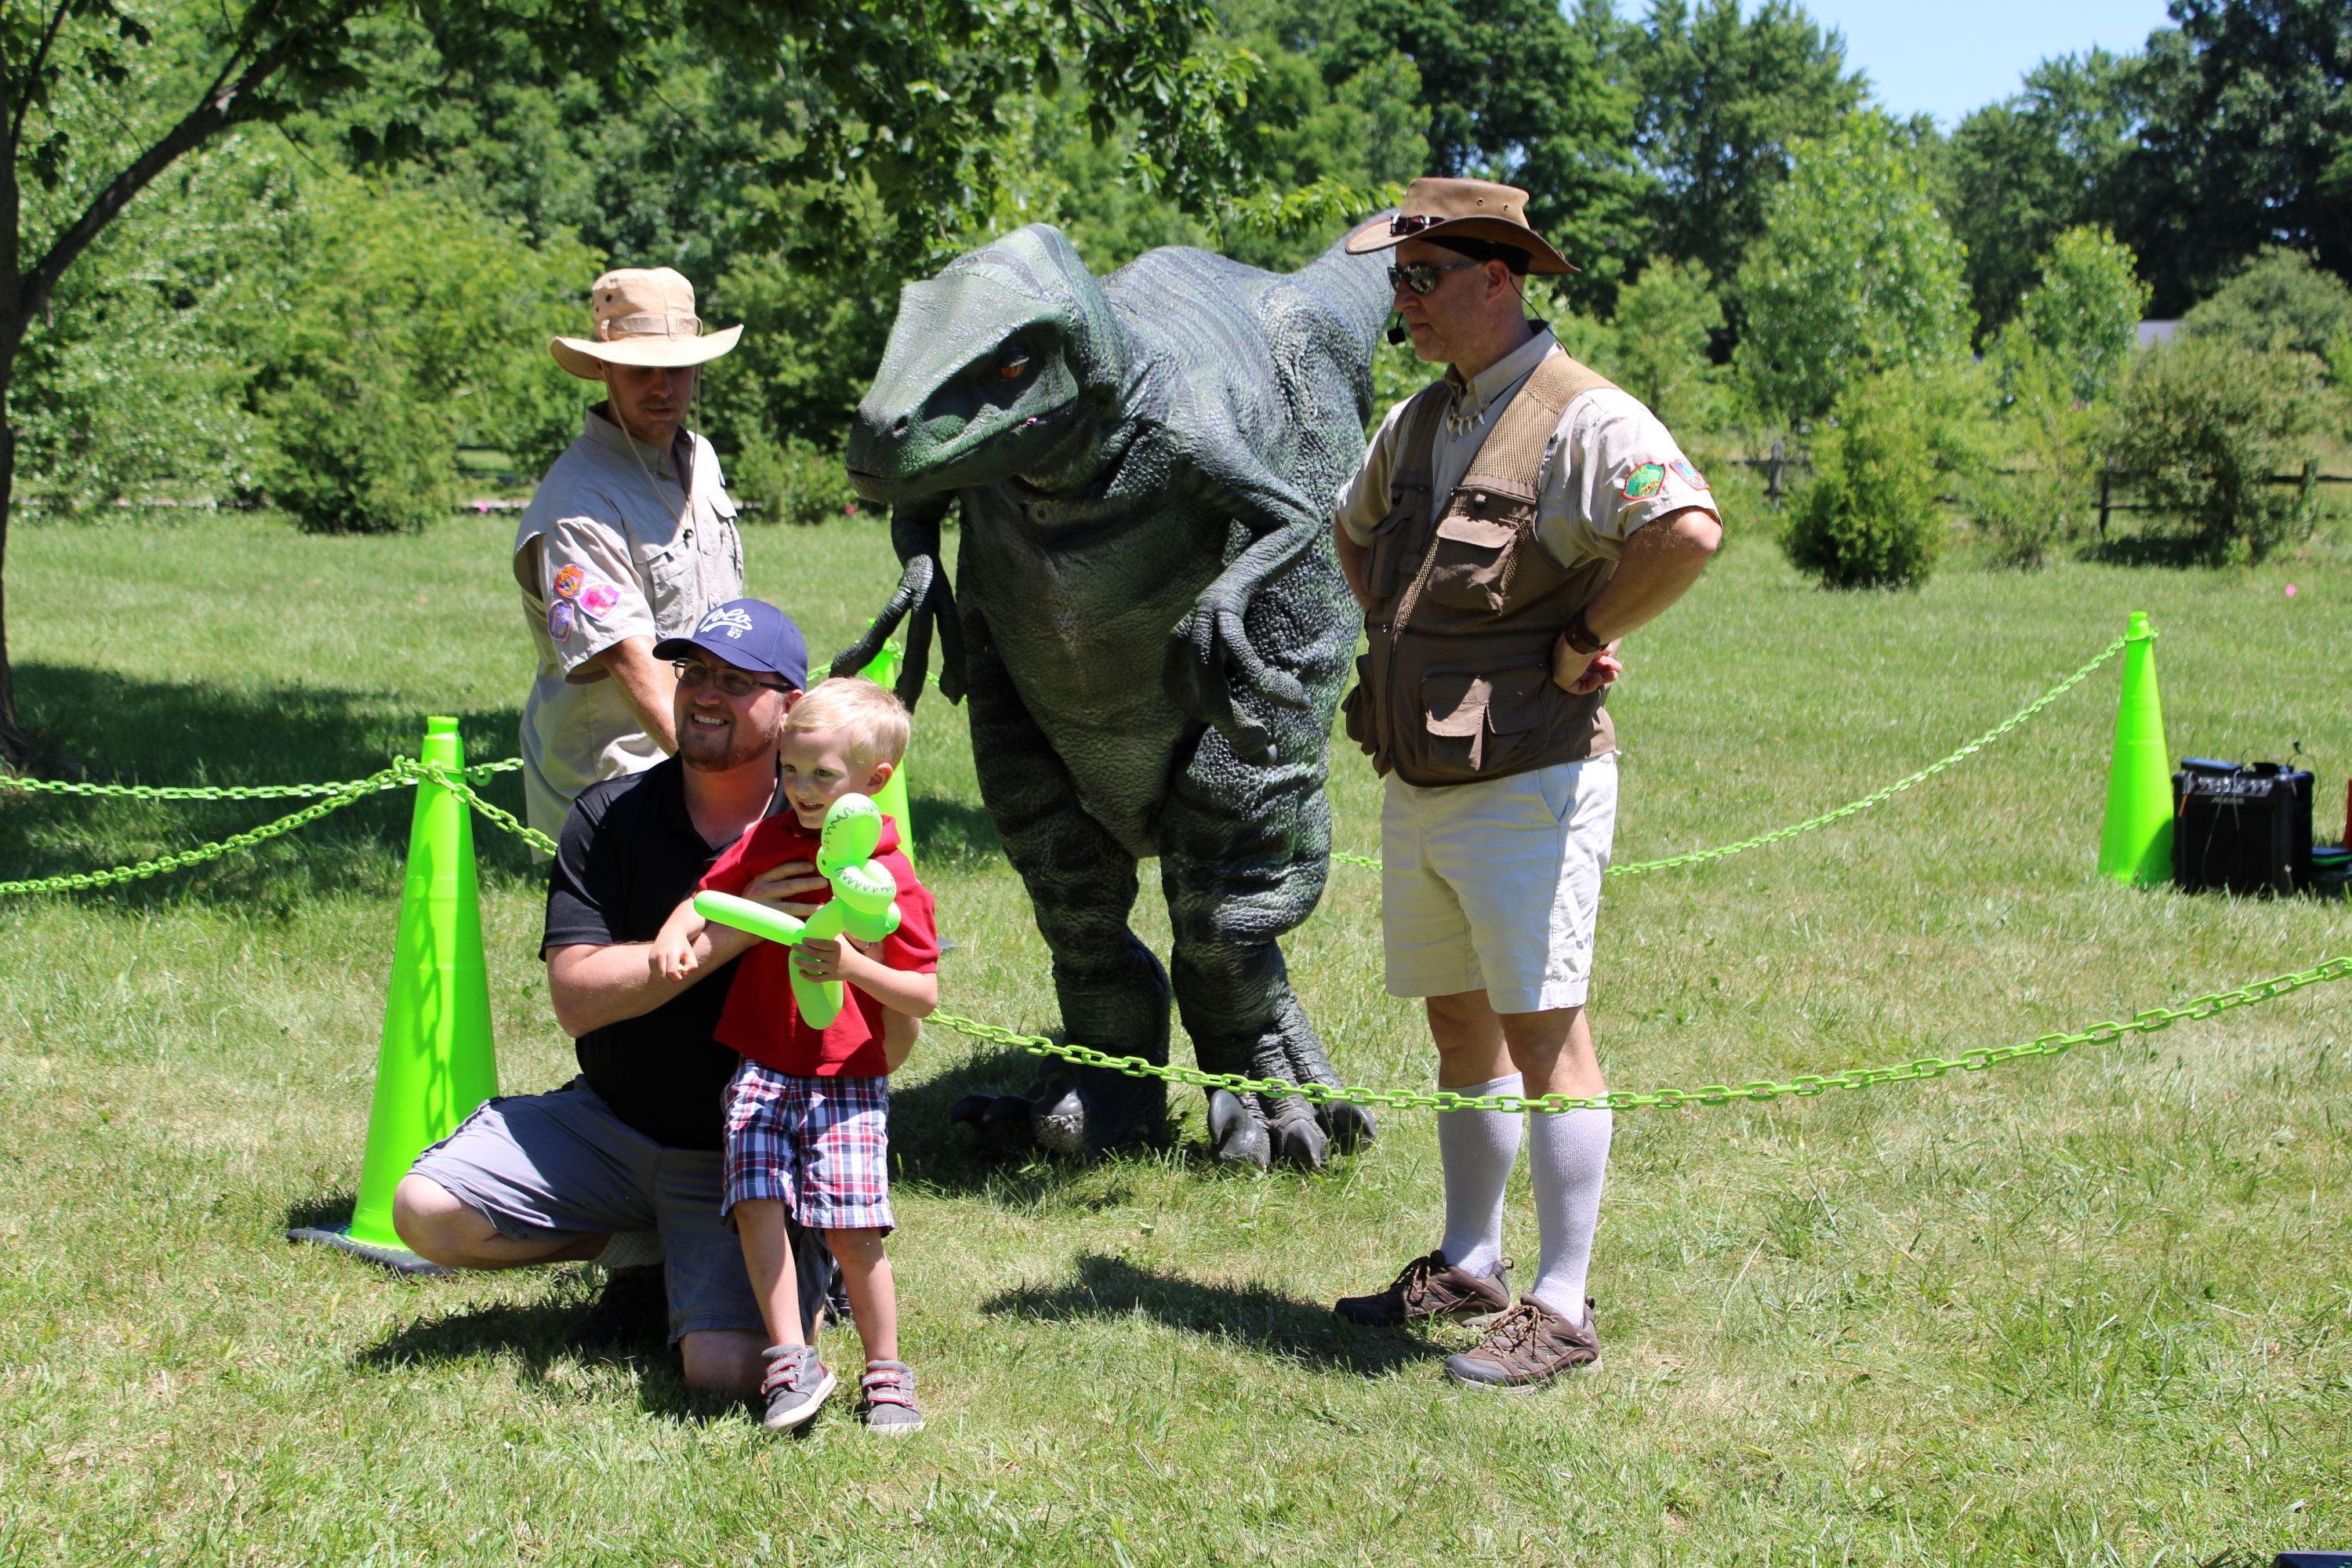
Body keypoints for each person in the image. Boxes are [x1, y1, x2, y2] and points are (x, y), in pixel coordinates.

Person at [1327, 178, 1722, 1389]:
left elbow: (1688, 528)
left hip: (1535, 776)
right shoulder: (1416, 419)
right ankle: (1471, 1261)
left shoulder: (1582, 415)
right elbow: (1352, 532)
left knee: (1549, 1035)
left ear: (1500, 279)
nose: (1406, 304)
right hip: (1426, 777)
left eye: (1425, 278)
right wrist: (1399, 644)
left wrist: (1585, 629)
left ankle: (1562, 1303)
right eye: (1397, 280)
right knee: (1459, 1020)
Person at [392, 599, 835, 1399]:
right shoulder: (610, 813)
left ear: (791, 706)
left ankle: (794, 1253)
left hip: (744, 1159)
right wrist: (733, 927)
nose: (704, 692)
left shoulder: (825, 835)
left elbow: (891, 1033)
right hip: (611, 1122)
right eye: (692, 670)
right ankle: (644, 1246)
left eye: (735, 680)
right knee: (425, 1209)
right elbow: (577, 999)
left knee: (726, 1374)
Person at [652, 677, 939, 1433]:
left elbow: (923, 996)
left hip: (846, 1073)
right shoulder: (771, 838)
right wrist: (673, 933)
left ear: (875, 782)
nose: (799, 791)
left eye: (821, 775)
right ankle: (790, 1357)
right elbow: (712, 891)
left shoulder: (888, 878)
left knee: (852, 1229)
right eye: (789, 770)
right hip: (762, 1062)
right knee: (754, 1200)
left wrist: (851, 966)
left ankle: (886, 1373)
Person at [514, 266, 750, 843]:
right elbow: (630, 661)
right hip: (617, 785)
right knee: (650, 938)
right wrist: (721, 776)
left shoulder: (702, 460)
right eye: (640, 369)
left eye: (677, 369)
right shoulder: (578, 501)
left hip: (705, 754)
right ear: (603, 368)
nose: (663, 388)